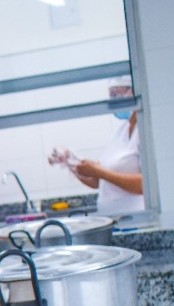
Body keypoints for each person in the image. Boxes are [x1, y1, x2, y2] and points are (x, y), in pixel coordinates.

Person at [49, 75, 143, 217]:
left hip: (136, 218)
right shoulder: (120, 132)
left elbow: (143, 185)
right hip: (113, 218)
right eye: (110, 95)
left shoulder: (143, 132)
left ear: (133, 92)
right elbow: (97, 182)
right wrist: (70, 161)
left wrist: (100, 172)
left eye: (116, 94)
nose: (112, 100)